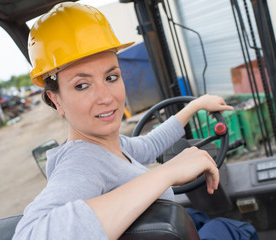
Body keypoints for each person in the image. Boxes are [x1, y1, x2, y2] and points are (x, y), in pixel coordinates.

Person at [13, 2, 258, 240]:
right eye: (82, 85)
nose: (106, 97)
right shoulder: (82, 163)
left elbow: (150, 144)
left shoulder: (110, 146)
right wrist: (168, 172)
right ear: (56, 100)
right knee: (237, 229)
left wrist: (195, 106)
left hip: (176, 221)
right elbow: (32, 234)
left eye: (111, 77)